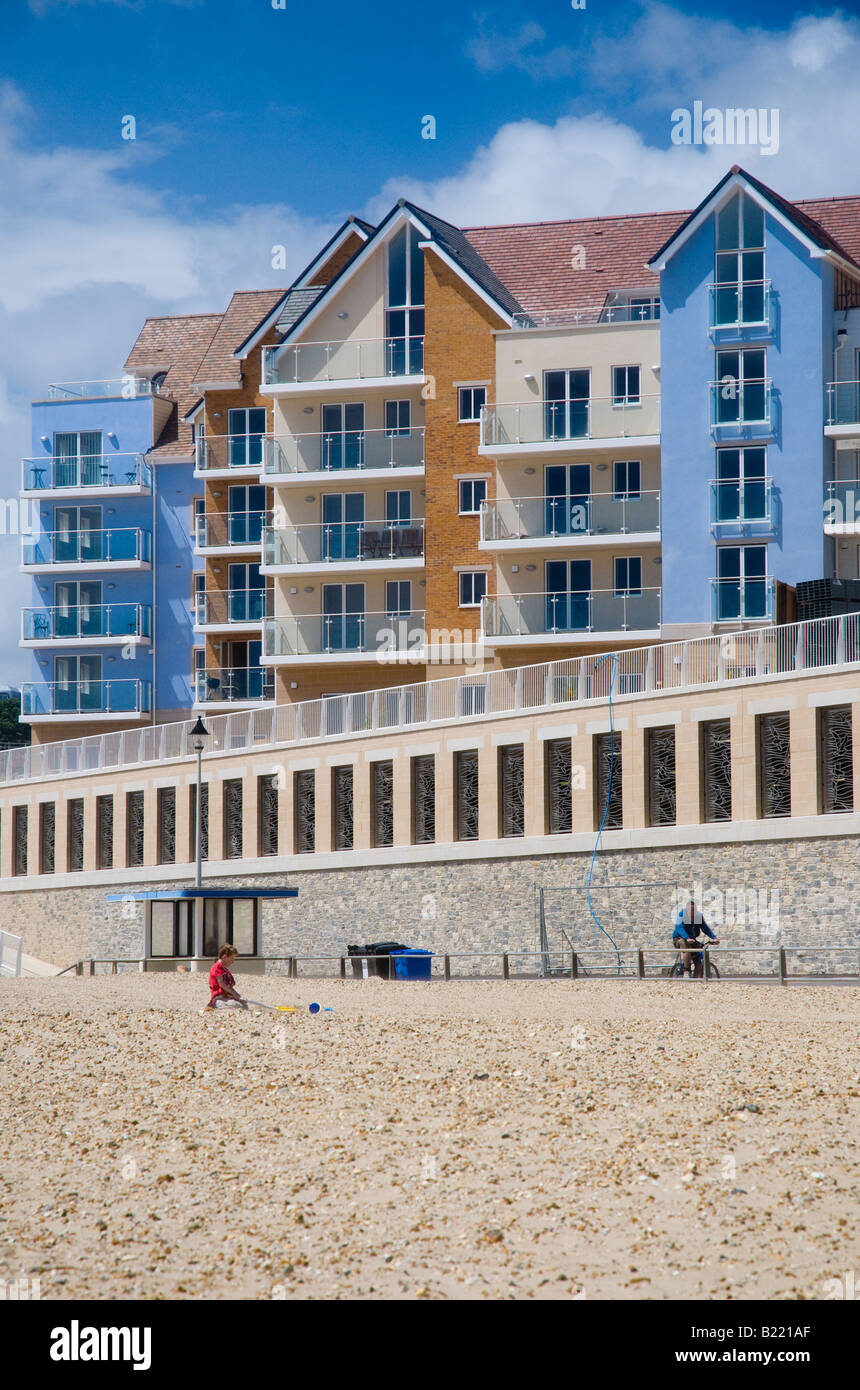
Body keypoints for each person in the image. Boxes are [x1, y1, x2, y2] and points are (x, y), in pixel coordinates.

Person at [672, 899, 719, 977]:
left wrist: (714, 937)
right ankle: (686, 971)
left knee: (699, 961)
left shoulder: (698, 916)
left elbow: (705, 928)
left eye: (694, 910)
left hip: (691, 939)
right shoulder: (682, 915)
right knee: (685, 945)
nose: (692, 912)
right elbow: (679, 927)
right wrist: (686, 937)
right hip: (679, 938)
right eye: (690, 910)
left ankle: (696, 979)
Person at [201, 943, 248, 1014]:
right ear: (224, 957)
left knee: (244, 1005)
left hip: (227, 996)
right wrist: (234, 995)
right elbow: (222, 984)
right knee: (236, 1005)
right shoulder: (217, 968)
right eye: (232, 958)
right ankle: (214, 1007)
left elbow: (229, 987)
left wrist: (237, 995)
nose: (233, 961)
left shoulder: (224, 969)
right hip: (219, 997)